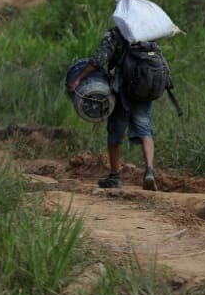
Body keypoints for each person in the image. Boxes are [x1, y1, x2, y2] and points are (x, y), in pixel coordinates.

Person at [66, 21, 159, 191]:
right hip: (144, 89)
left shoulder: (115, 35)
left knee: (116, 131)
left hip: (121, 90)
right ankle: (150, 171)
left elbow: (97, 61)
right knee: (145, 129)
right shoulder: (147, 34)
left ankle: (115, 176)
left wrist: (78, 78)